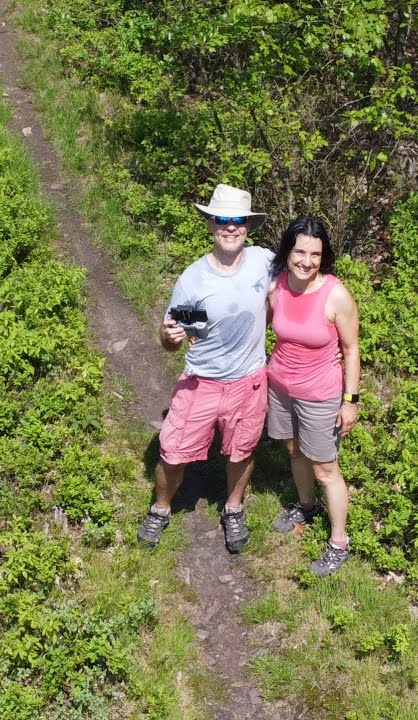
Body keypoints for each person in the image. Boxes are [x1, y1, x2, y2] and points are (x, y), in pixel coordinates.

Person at [136, 184, 274, 553]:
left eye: (238, 220)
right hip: (202, 382)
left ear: (248, 226)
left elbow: (296, 295)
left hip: (249, 382)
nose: (231, 227)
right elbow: (171, 338)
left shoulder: (264, 261)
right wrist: (170, 336)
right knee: (172, 452)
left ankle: (233, 507)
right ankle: (160, 509)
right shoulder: (192, 279)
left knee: (241, 451)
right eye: (223, 219)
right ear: (211, 225)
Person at [265, 216, 361, 576]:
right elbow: (258, 325)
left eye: (315, 254)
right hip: (281, 388)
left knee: (326, 470)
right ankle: (305, 507)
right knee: (293, 451)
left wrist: (349, 402)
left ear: (324, 257)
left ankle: (339, 543)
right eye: (300, 251)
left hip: (320, 395)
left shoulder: (335, 294)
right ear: (287, 251)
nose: (306, 260)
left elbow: (351, 350)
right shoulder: (277, 286)